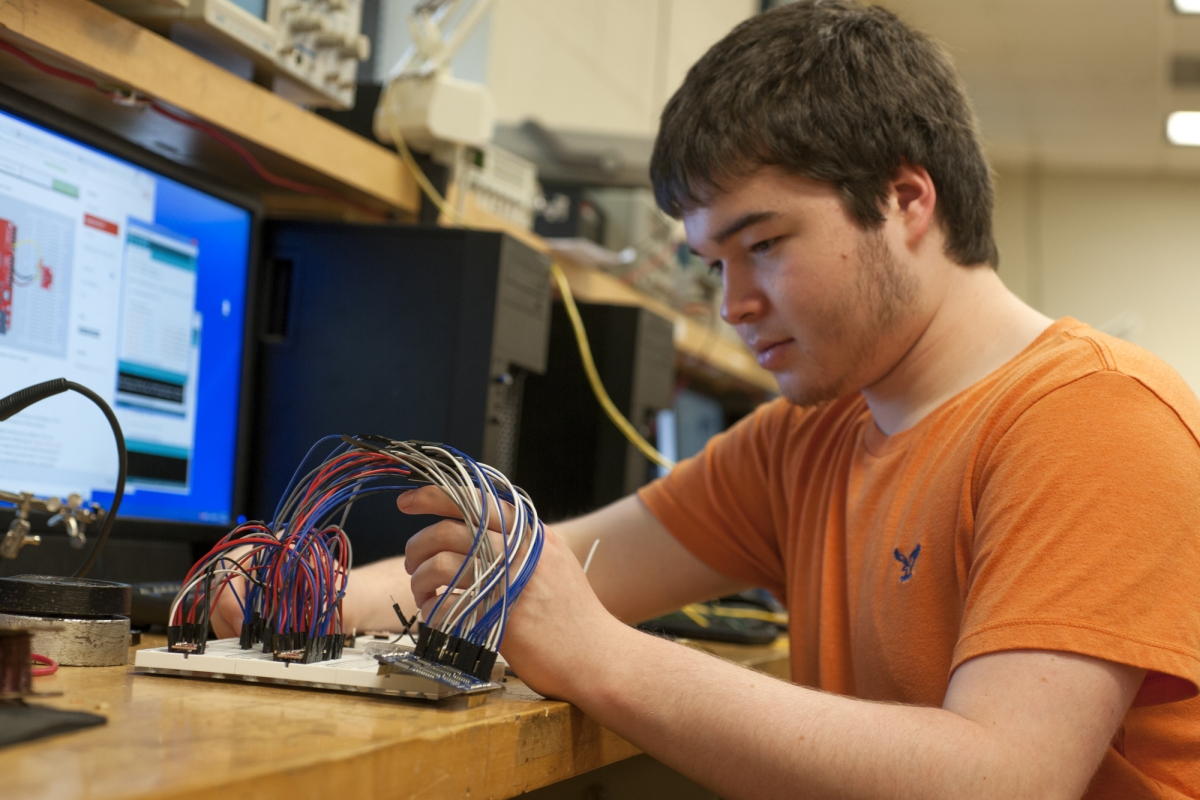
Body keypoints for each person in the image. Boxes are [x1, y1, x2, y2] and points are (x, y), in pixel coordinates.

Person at [218, 2, 1200, 797]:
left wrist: (601, 657)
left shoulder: (1093, 418)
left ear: (908, 201)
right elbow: (559, 568)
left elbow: (1002, 780)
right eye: (713, 261)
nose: (734, 304)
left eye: (764, 243)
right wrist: (297, 597)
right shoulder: (806, 440)